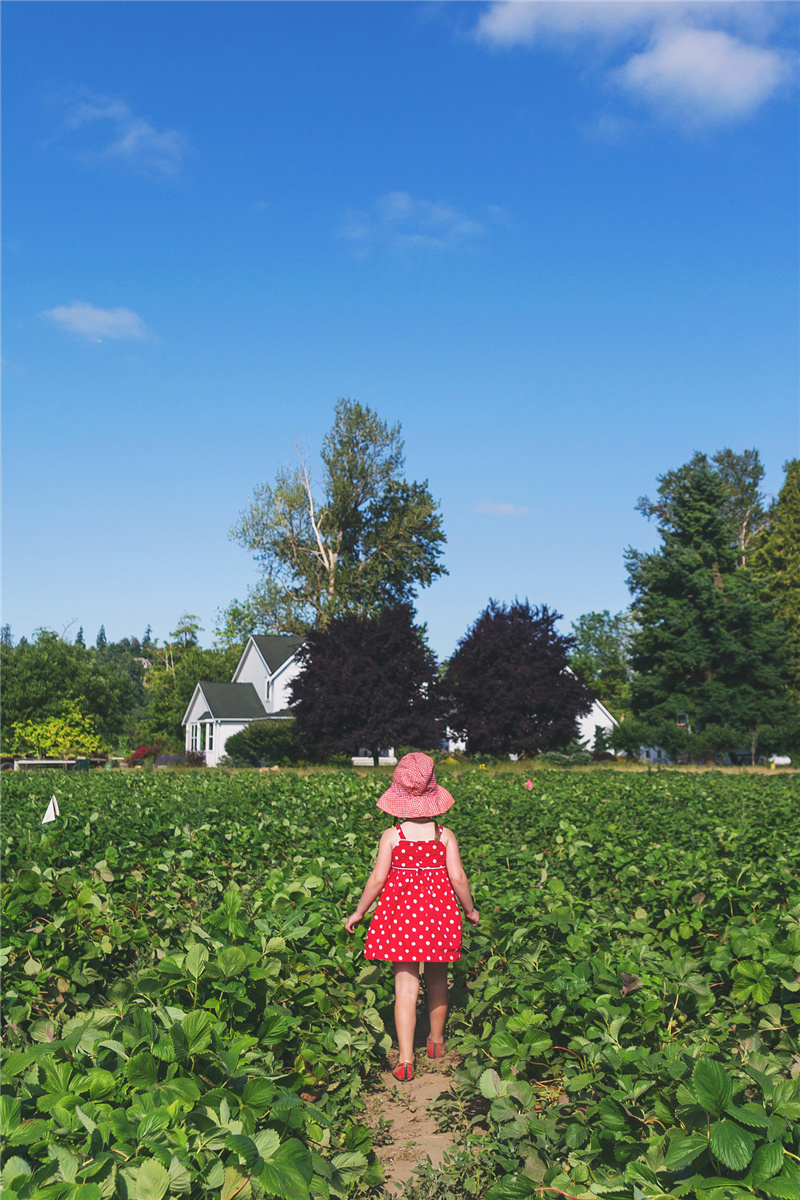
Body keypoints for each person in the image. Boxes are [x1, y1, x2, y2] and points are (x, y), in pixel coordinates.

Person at [345, 752, 480, 1081]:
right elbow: (459, 878)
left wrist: (360, 911)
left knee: (405, 987)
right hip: (438, 918)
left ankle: (406, 1058)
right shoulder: (443, 835)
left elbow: (377, 879)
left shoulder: (392, 836)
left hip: (400, 919)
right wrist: (470, 909)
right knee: (437, 979)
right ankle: (435, 1041)